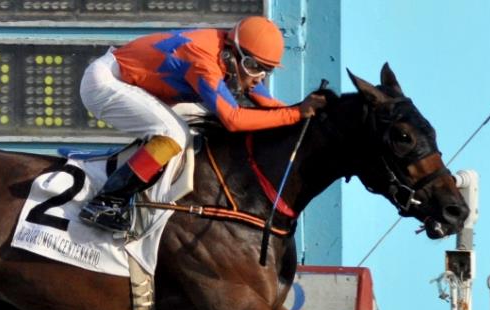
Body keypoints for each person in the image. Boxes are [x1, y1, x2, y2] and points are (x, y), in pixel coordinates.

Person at [78, 16, 327, 232]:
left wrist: (302, 112)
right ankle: (105, 202)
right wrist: (294, 114)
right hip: (105, 83)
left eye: (266, 72)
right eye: (255, 69)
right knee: (174, 134)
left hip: (135, 84)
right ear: (235, 55)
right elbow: (233, 120)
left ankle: (151, 198)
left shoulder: (230, 53)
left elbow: (265, 101)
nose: (258, 79)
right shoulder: (203, 60)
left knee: (196, 126)